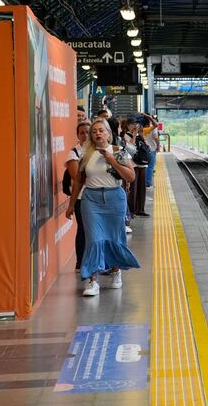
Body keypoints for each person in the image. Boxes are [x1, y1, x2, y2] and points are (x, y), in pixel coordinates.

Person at [66, 118, 140, 297]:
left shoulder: (118, 152)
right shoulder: (86, 154)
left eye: (101, 130)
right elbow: (78, 181)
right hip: (91, 199)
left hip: (114, 198)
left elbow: (130, 177)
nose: (97, 133)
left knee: (114, 237)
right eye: (94, 131)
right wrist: (71, 204)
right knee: (93, 239)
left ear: (108, 133)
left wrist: (112, 161)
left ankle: (116, 271)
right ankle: (93, 280)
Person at [65, 121, 90, 272]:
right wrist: (71, 204)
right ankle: (80, 263)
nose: (85, 135)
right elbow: (77, 178)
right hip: (82, 198)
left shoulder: (99, 151)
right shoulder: (73, 153)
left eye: (88, 132)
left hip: (97, 198)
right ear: (77, 135)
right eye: (82, 133)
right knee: (83, 230)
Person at [124, 120, 149, 217]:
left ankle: (141, 209)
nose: (134, 126)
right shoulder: (126, 135)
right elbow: (131, 147)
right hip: (133, 164)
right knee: (133, 188)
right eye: (132, 124)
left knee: (142, 187)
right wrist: (134, 134)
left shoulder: (140, 135)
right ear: (128, 126)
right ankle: (132, 210)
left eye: (136, 125)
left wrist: (141, 135)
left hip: (142, 164)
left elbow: (147, 146)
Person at [143, 115, 160, 187]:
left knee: (144, 166)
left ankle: (143, 181)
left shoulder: (141, 128)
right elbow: (156, 138)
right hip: (151, 149)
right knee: (150, 166)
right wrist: (158, 146)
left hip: (143, 149)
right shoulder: (151, 128)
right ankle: (147, 183)